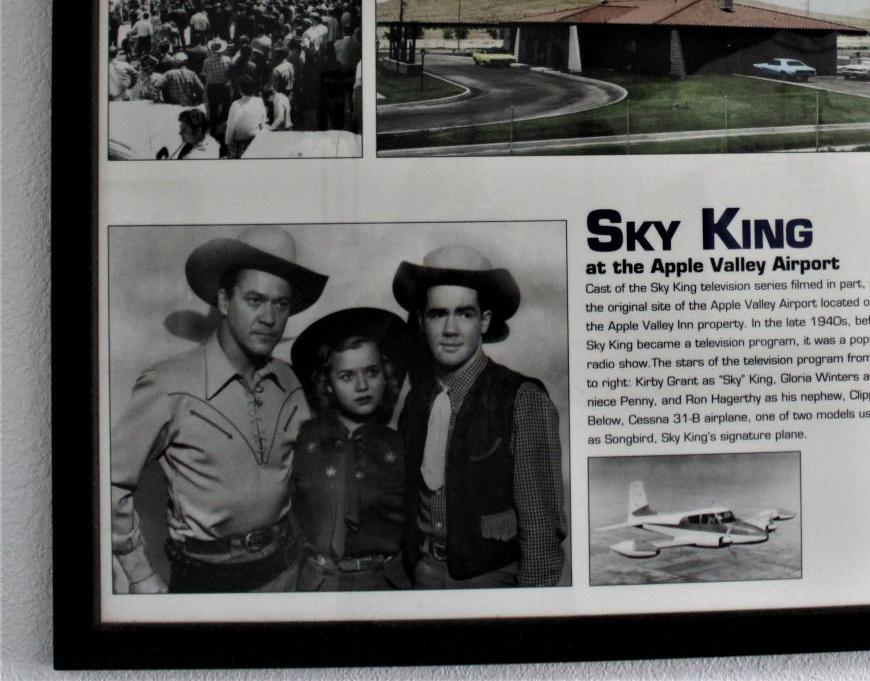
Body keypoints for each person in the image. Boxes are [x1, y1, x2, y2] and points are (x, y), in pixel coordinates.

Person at [111, 226, 328, 592]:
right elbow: (109, 481)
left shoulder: (292, 382)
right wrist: (139, 574)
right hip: (206, 579)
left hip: (286, 572)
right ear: (225, 301)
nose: (269, 318)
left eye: (280, 304)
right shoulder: (167, 385)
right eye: (255, 300)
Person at [393, 245, 567, 589]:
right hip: (423, 574)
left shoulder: (521, 399)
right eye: (438, 314)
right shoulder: (415, 402)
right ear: (420, 321)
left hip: (490, 579)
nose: (450, 329)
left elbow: (541, 526)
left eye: (465, 314)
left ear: (484, 321)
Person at [290, 308, 409, 591]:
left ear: (385, 375)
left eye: (371, 372)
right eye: (346, 376)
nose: (362, 386)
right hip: (319, 583)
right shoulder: (305, 440)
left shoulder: (402, 445)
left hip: (384, 582)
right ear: (328, 384)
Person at [224, 74, 266, 158]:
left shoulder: (236, 104)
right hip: (255, 139)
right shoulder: (259, 101)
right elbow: (263, 119)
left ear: (240, 90)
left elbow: (231, 126)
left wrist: (227, 142)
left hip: (240, 142)